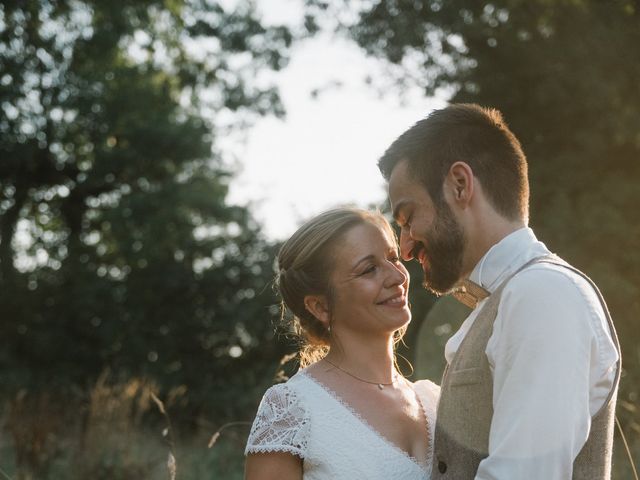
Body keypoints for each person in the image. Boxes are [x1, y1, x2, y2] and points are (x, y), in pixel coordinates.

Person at [380, 104, 621, 479]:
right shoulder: (511, 297)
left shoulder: (542, 293)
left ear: (460, 184)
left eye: (408, 218)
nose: (406, 248)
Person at [244, 207, 440, 480]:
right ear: (320, 306)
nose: (398, 277)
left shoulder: (434, 400)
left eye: (393, 259)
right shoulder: (292, 409)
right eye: (369, 269)